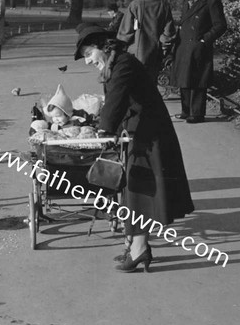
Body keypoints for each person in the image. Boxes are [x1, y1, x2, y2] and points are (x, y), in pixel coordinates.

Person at [74, 23, 194, 272]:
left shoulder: (124, 63)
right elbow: (116, 101)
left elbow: (117, 98)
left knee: (141, 190)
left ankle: (139, 249)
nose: (87, 61)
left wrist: (105, 130)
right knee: (135, 189)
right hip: (139, 132)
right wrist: (106, 125)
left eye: (88, 54)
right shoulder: (116, 63)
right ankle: (137, 245)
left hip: (150, 135)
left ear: (102, 47)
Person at [171, 0, 227, 124]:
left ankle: (196, 114)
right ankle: (186, 110)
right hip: (184, 46)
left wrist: (205, 40)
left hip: (199, 46)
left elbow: (221, 25)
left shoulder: (212, 1)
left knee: (197, 81)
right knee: (184, 79)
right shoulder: (186, 2)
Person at [117, 0, 176, 83]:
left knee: (135, 84)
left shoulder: (135, 5)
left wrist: (120, 46)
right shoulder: (164, 6)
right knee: (151, 85)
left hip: (135, 52)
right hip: (155, 53)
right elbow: (169, 32)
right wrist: (164, 47)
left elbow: (126, 31)